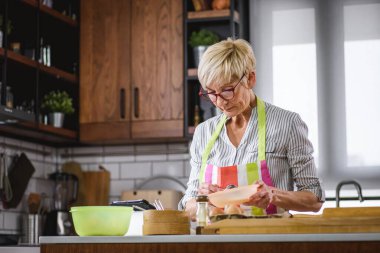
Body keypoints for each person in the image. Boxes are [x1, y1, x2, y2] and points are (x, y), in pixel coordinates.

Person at [179, 38, 325, 219]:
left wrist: (273, 195)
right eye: (211, 93)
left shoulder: (287, 124)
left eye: (227, 90)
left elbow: (314, 199)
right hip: (218, 242)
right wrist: (203, 200)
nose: (220, 102)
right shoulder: (203, 133)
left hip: (270, 242)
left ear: (250, 78)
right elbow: (188, 205)